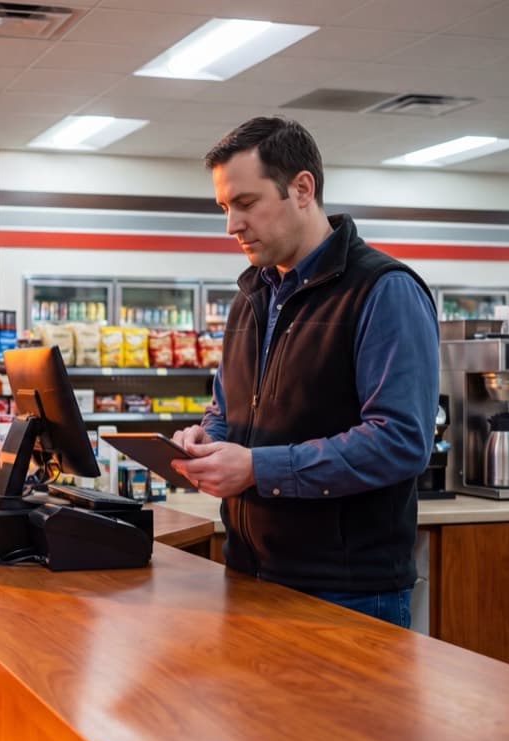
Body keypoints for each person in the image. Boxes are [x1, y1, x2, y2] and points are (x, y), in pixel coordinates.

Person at [170, 116, 439, 628]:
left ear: (301, 188)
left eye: (245, 203)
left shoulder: (383, 291)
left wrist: (256, 468)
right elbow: (227, 410)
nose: (231, 225)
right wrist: (208, 439)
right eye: (225, 208)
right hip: (249, 573)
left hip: (346, 592)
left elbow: (401, 440)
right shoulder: (249, 299)